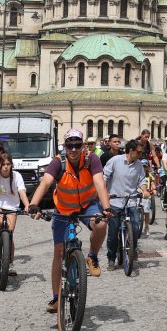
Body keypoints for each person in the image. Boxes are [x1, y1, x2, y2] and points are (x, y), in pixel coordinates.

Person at [28, 129, 113, 313]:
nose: (73, 149)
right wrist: (34, 204)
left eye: (77, 145)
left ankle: (92, 257)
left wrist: (106, 208)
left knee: (101, 224)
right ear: (64, 146)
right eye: (69, 145)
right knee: (59, 252)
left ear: (83, 145)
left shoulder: (92, 159)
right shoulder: (58, 162)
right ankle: (56, 298)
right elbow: (45, 182)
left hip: (88, 204)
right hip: (64, 208)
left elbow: (99, 183)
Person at [103, 139, 150, 269]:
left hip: (131, 201)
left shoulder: (139, 164)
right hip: (115, 201)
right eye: (139, 152)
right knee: (113, 233)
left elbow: (142, 180)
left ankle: (131, 249)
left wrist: (145, 191)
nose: (141, 154)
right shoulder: (115, 161)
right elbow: (104, 177)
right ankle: (111, 259)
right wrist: (105, 192)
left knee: (135, 228)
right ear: (131, 151)